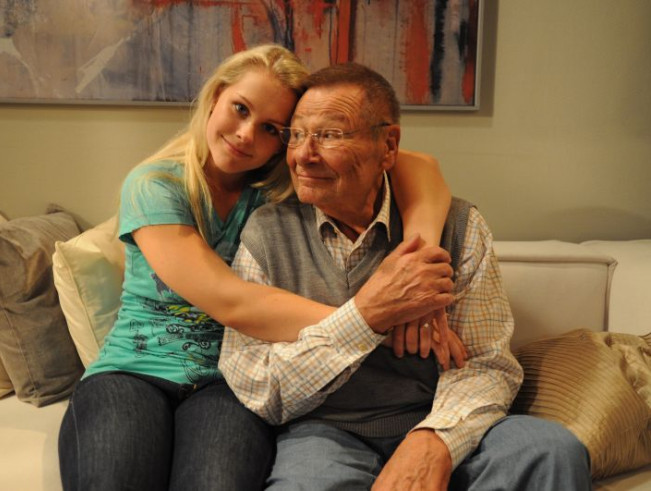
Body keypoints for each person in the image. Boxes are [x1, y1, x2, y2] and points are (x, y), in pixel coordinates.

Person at [58, 45, 460, 491]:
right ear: (215, 96)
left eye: (271, 128)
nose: (246, 135)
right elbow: (232, 302)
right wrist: (381, 316)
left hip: (228, 385)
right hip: (132, 371)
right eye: (240, 109)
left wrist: (419, 260)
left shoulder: (283, 189)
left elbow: (419, 166)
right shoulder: (156, 185)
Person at [219, 62, 592, 490]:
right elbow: (258, 386)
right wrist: (368, 317)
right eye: (297, 134)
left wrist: (436, 440)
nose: (303, 155)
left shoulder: (457, 227)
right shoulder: (269, 233)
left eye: (330, 135)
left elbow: (487, 365)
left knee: (551, 450)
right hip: (326, 432)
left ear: (388, 145)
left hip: (439, 415)